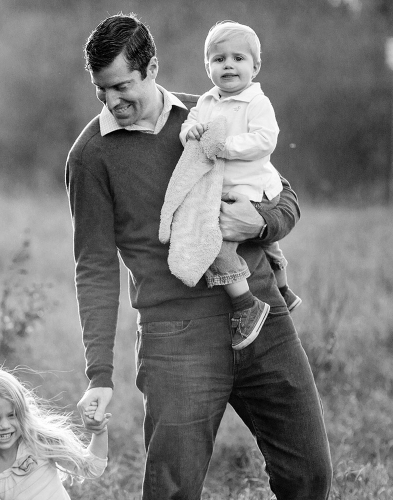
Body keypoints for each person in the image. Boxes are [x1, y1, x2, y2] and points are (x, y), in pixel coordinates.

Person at [66, 13, 332, 499]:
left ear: (152, 68)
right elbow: (95, 267)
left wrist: (260, 223)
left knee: (309, 475)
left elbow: (284, 196)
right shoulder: (90, 156)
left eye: (122, 86)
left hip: (262, 315)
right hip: (176, 337)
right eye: (101, 90)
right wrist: (99, 375)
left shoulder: (210, 113)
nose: (112, 101)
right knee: (173, 490)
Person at [176, 20, 301, 350]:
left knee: (216, 244)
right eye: (219, 59)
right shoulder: (206, 102)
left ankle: (247, 306)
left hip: (255, 190)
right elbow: (191, 125)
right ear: (208, 67)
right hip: (229, 188)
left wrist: (225, 146)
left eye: (238, 58)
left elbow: (265, 139)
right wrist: (189, 132)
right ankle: (284, 292)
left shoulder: (256, 102)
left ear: (255, 66)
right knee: (268, 246)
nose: (228, 65)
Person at [0, 366, 108, 500]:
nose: (4, 425)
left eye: (12, 415)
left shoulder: (38, 442)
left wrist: (99, 431)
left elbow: (92, 468)